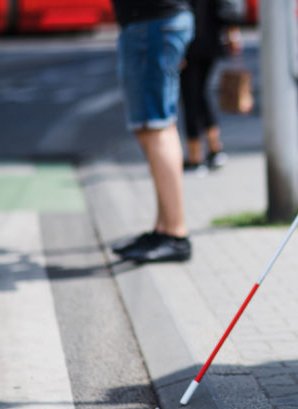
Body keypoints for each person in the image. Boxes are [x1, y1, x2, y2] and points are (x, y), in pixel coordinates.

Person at [109, 0, 194, 263]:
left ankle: (175, 233)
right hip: (151, 22)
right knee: (150, 127)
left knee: (157, 126)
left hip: (153, 23)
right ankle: (163, 228)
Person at [180, 0, 234, 176]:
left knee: (191, 96)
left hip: (187, 43)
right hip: (210, 39)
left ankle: (195, 157)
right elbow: (224, 7)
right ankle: (214, 149)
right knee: (200, 94)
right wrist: (232, 31)